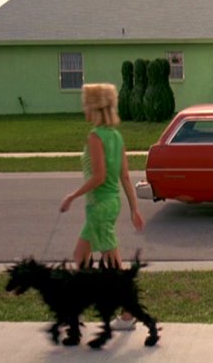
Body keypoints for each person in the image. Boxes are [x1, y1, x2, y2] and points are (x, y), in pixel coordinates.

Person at [60, 83, 145, 331]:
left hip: (99, 206)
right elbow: (125, 177)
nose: (83, 108)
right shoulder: (116, 136)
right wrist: (133, 209)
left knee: (113, 263)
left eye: (85, 104)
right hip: (111, 203)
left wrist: (71, 196)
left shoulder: (96, 136)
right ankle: (79, 310)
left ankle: (128, 312)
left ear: (94, 107)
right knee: (80, 257)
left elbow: (98, 176)